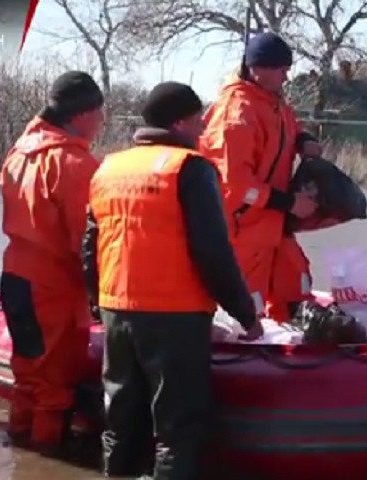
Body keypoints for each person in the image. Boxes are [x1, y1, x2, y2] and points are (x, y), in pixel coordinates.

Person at [82, 82, 263, 480]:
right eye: (198, 119)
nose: (201, 129)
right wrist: (246, 316)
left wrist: (99, 304)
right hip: (174, 316)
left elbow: (90, 247)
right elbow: (213, 252)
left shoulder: (108, 167)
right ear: (180, 121)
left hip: (117, 312)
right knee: (176, 430)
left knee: (120, 422)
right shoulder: (189, 168)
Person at [0, 71, 104, 455]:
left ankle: (18, 446)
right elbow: (89, 241)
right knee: (54, 385)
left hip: (15, 277)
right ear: (79, 116)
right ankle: (46, 458)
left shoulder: (19, 151)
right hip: (53, 286)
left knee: (27, 375)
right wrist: (104, 295)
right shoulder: (73, 163)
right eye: (98, 112)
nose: (102, 121)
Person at [200, 32, 323, 323]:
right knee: (247, 301)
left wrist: (303, 141)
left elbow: (290, 128)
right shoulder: (236, 113)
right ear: (258, 70)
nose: (286, 75)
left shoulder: (272, 102)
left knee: (295, 280)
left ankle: (294, 336)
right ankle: (245, 345)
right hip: (242, 225)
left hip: (271, 221)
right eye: (281, 68)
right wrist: (289, 203)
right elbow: (238, 186)